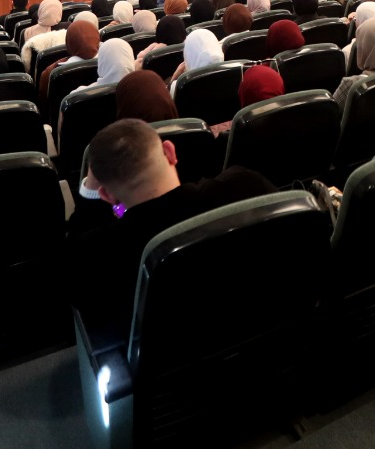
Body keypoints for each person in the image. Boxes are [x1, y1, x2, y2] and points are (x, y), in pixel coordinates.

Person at [65, 119, 276, 341]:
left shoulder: (96, 256)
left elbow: (73, 262)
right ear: (170, 151)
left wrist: (89, 192)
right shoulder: (248, 187)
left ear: (106, 196)